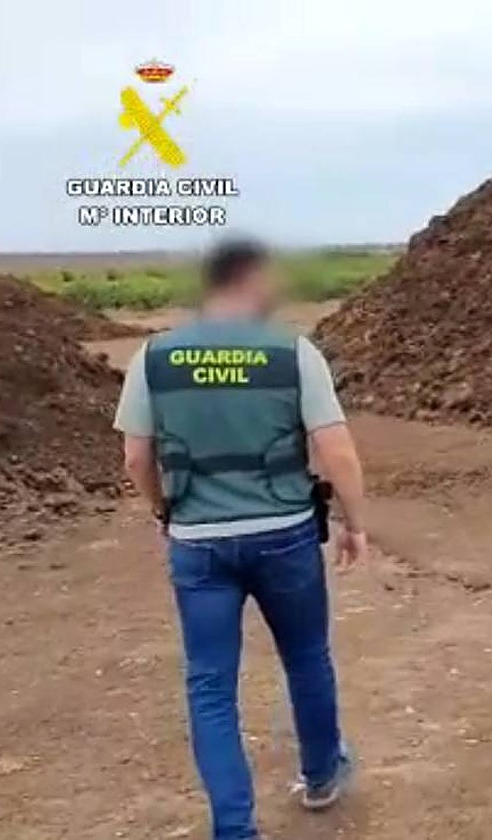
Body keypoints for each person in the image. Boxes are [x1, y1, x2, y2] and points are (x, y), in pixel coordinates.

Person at [115, 238, 372, 839]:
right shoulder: (293, 353)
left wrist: (164, 510)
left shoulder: (152, 358)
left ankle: (234, 829)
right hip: (284, 536)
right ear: (251, 282)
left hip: (198, 542)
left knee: (210, 684)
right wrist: (355, 524)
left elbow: (135, 457)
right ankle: (319, 776)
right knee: (307, 658)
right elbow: (336, 448)